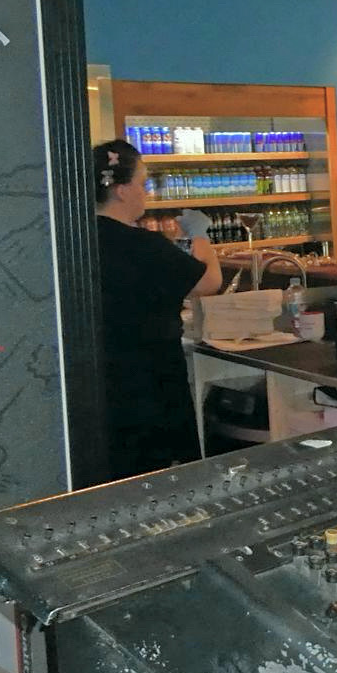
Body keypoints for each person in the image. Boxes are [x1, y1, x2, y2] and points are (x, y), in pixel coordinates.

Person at [94, 139, 223, 481]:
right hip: (152, 378)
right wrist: (200, 237)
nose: (146, 193)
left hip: (102, 380)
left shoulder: (81, 239)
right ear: (122, 190)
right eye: (143, 183)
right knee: (161, 475)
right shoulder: (143, 245)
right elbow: (209, 281)